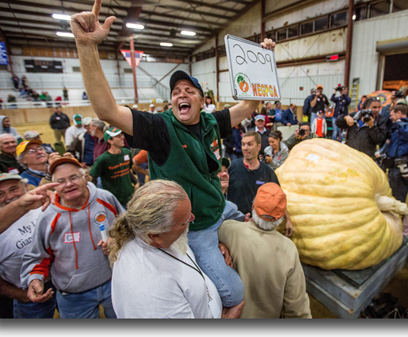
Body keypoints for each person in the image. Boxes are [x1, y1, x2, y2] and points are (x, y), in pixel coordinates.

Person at [71, 0, 278, 309]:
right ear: (171, 103)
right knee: (234, 294)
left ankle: (236, 222)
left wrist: (263, 62)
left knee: (243, 214)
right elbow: (106, 109)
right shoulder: (159, 129)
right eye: (176, 92)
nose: (181, 94)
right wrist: (87, 46)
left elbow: (249, 105)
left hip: (218, 205)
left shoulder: (212, 121)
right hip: (195, 226)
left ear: (200, 99)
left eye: (189, 91)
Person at [109, 180, 244, 318]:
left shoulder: (159, 235)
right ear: (155, 235)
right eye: (185, 221)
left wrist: (215, 246)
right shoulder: (150, 293)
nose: (193, 218)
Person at [21, 157, 124, 319]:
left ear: (85, 178)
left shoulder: (105, 198)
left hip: (115, 283)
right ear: (53, 186)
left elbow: (126, 228)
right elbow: (39, 256)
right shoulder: (48, 216)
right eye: (61, 181)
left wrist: (117, 241)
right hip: (73, 294)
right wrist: (35, 278)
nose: (68, 184)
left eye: (74, 177)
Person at [218, 183, 311, 319]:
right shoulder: (289, 249)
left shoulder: (229, 230)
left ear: (253, 206)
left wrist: (220, 244)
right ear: (280, 218)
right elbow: (297, 309)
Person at [0, 174, 57, 319]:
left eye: (13, 189)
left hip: (65, 282)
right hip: (31, 294)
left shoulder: (44, 207)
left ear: (26, 188)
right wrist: (22, 296)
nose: (9, 196)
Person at [227, 131, 293, 236]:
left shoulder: (267, 172)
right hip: (235, 225)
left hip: (259, 228)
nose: (245, 148)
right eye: (243, 144)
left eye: (249, 144)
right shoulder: (231, 168)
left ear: (258, 147)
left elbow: (279, 197)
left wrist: (288, 220)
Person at [89, 128, 135, 208]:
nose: (123, 137)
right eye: (118, 136)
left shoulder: (127, 153)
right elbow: (93, 177)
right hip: (114, 200)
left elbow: (127, 170)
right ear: (110, 141)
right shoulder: (102, 159)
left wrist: (136, 182)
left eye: (122, 135)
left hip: (130, 196)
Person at [384, 104, 408, 202]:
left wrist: (399, 122)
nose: (390, 117)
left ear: (399, 113)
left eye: (392, 115)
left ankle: (398, 213)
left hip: (404, 162)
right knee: (393, 188)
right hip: (395, 162)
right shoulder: (398, 126)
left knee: (399, 191)